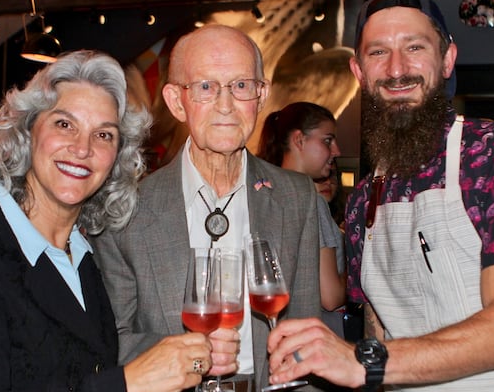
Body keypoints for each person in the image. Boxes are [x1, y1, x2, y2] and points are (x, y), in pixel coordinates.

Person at [264, 0, 494, 391]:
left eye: (414, 47)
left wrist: (363, 363)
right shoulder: (364, 199)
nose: (396, 69)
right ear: (358, 72)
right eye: (378, 52)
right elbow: (378, 329)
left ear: (447, 59)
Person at [0, 50, 214, 392]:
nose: (82, 148)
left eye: (104, 135)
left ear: (117, 158)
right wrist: (126, 384)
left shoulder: (87, 254)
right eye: (64, 124)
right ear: (28, 132)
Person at [91, 24, 322, 392]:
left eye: (242, 85)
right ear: (175, 101)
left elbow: (307, 336)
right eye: (205, 87)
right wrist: (188, 355)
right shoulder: (125, 209)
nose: (226, 105)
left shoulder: (296, 197)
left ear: (261, 96)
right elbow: (109, 340)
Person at [257, 101, 346, 337]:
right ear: (299, 140)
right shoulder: (310, 202)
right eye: (327, 140)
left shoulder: (264, 194)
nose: (336, 150)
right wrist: (360, 268)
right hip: (315, 338)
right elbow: (330, 296)